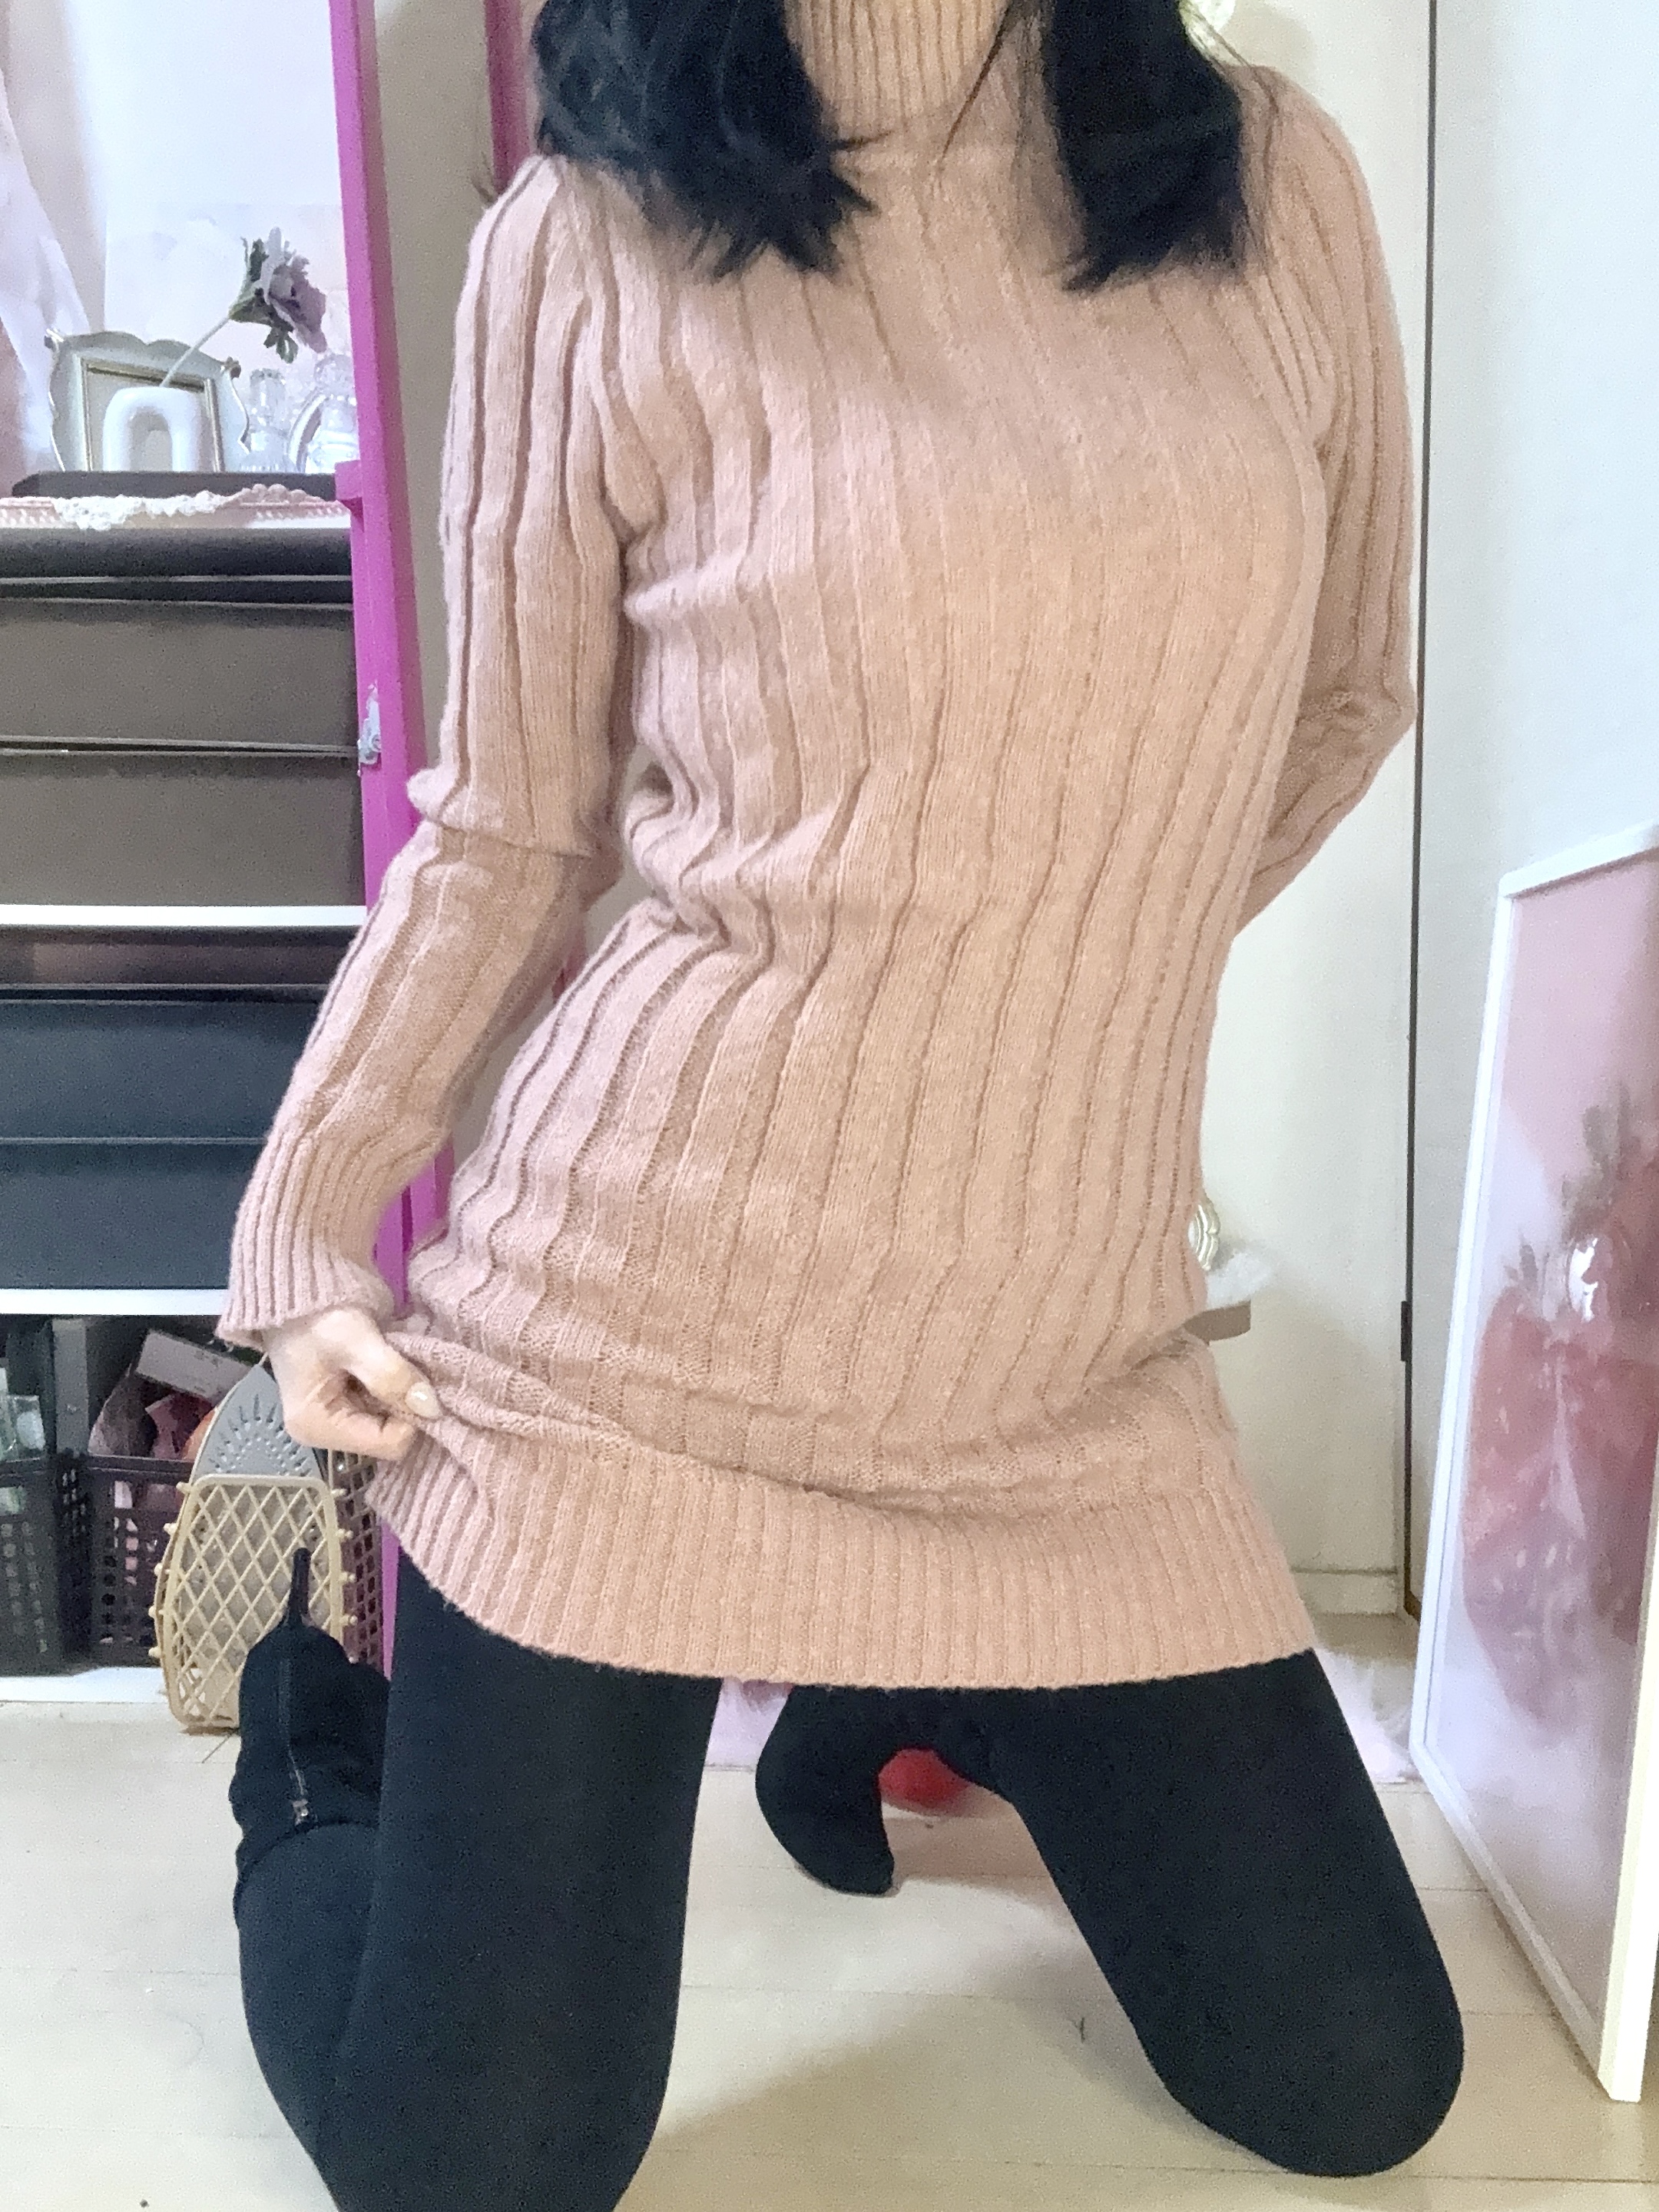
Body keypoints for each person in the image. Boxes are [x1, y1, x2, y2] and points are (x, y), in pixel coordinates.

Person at [217, 2, 1462, 2205]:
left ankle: (927, 1686)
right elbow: (510, 826)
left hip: (1062, 1370)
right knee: (477, 2171)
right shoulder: (588, 240)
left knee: (1359, 2082)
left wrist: (1042, 953)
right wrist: (313, 1209)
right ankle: (318, 1759)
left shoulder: (1266, 184)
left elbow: (1350, 691)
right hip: (632, 1353)